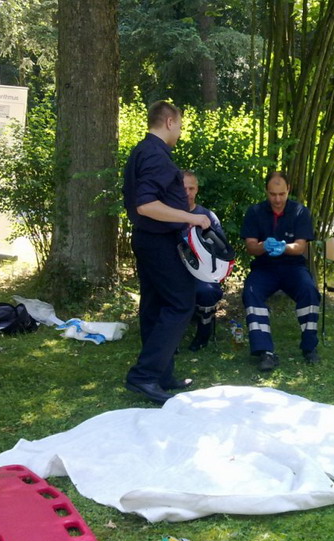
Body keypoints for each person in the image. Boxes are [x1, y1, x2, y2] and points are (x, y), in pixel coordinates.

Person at [123, 101, 211, 404]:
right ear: (170, 121)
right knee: (181, 304)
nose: (181, 132)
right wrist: (193, 217)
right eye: (181, 125)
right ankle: (144, 376)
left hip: (147, 239)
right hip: (158, 242)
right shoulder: (156, 156)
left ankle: (161, 375)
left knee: (155, 306)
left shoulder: (141, 151)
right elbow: (146, 205)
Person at [241, 172, 321, 371]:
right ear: (266, 192)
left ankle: (309, 347)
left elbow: (301, 247)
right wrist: (264, 246)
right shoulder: (255, 211)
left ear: (289, 191)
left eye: (281, 194)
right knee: (251, 292)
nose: (277, 199)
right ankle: (264, 351)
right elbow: (250, 247)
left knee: (309, 291)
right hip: (264, 267)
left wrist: (284, 247)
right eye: (272, 194)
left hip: (293, 265)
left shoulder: (300, 211)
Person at [182, 170, 225, 351]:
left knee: (207, 290)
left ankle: (203, 334)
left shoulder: (207, 216)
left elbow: (221, 249)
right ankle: (170, 339)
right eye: (183, 188)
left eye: (191, 188)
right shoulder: (167, 215)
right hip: (174, 270)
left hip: (203, 272)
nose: (187, 193)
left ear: (197, 190)